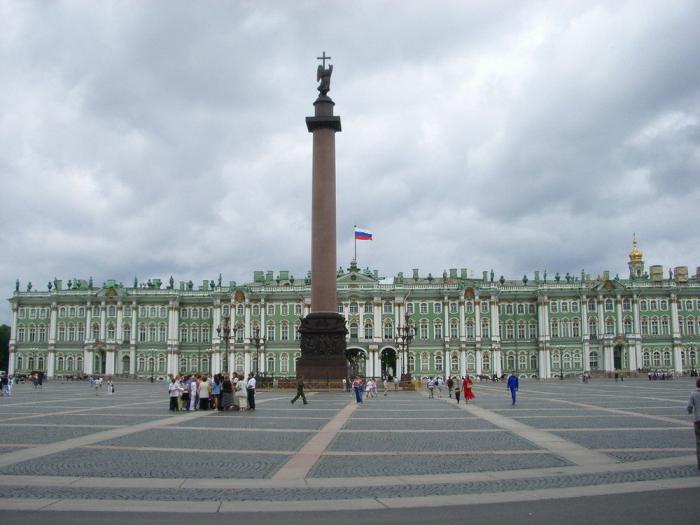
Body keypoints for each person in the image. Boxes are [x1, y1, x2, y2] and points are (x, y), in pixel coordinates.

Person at [687, 377, 700, 470]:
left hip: (698, 420)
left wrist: (689, 411)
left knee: (699, 442)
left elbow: (689, 406)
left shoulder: (693, 394)